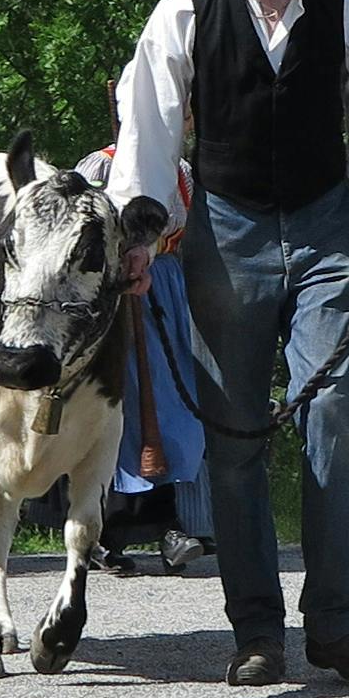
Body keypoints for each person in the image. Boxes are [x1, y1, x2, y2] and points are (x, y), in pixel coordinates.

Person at [108, 0, 349, 687]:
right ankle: (256, 633)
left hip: (327, 228)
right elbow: (147, 134)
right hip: (227, 230)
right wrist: (140, 237)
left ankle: (335, 625)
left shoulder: (344, 6)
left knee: (334, 417)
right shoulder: (182, 13)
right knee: (236, 435)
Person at [75, 144, 212, 574]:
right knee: (121, 407)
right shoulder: (100, 166)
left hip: (168, 288)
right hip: (114, 290)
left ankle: (181, 526)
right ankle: (105, 532)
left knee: (179, 406)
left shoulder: (181, 170)